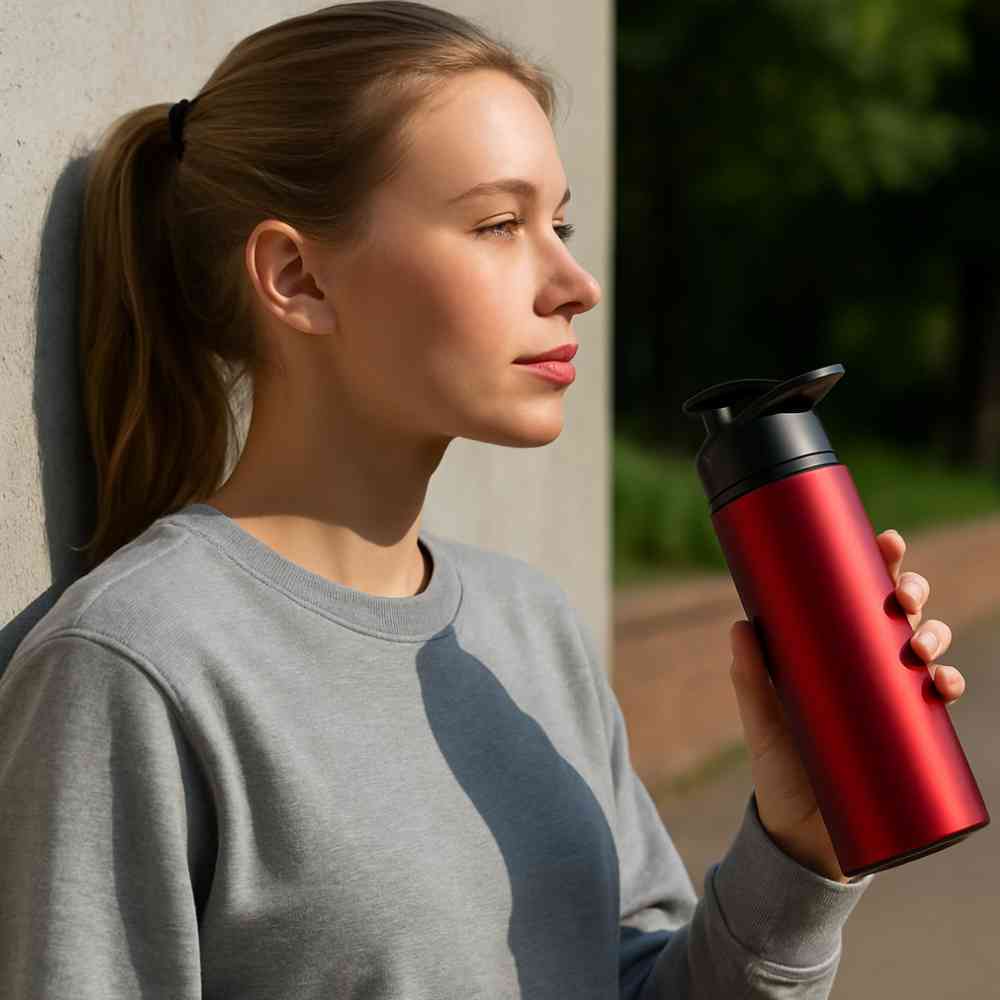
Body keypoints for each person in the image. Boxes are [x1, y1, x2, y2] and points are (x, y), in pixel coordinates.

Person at [0, 2, 966, 998]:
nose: (575, 282)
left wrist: (799, 844)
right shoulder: (134, 665)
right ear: (296, 277)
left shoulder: (526, 624)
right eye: (499, 224)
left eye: (561, 223)